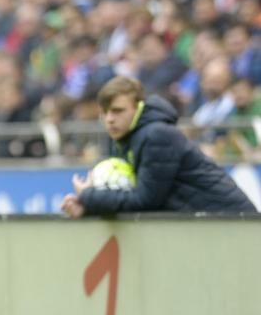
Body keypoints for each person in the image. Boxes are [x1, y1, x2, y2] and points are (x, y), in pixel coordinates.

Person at [61, 76, 257, 217]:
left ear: (139, 107)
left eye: (117, 111)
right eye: (104, 113)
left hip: (233, 225)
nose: (110, 119)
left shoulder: (157, 135)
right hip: (206, 227)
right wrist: (89, 206)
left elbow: (145, 200)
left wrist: (89, 196)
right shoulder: (123, 139)